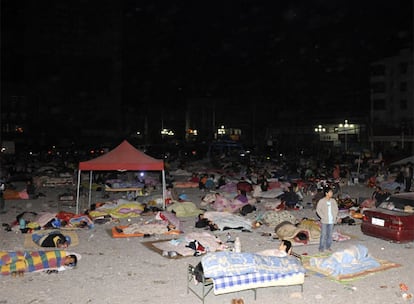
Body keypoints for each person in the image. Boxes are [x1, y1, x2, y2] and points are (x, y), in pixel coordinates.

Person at [0, 250, 79, 277]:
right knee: (14, 256)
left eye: (70, 263)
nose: (68, 262)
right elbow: (47, 255)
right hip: (31, 256)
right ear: (68, 256)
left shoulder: (59, 265)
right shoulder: (60, 254)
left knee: (17, 266)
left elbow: (47, 266)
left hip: (31, 265)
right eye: (70, 260)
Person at [316, 187, 339, 252]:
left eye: (331, 192)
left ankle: (328, 246)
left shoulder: (333, 201)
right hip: (325, 221)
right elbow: (318, 210)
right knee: (323, 235)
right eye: (330, 192)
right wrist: (322, 216)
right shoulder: (322, 201)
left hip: (331, 220)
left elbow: (336, 209)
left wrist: (335, 216)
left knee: (330, 235)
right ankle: (321, 247)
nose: (331, 193)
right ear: (326, 193)